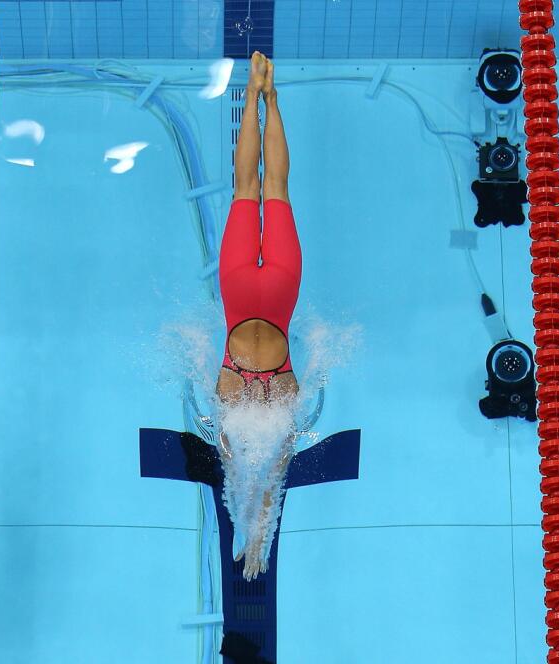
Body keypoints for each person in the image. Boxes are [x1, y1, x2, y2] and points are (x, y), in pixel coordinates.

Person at [215, 52, 299, 579]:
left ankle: (266, 96)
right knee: (254, 191)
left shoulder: (287, 400)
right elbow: (245, 479)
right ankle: (256, 92)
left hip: (278, 294)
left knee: (271, 191)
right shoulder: (226, 398)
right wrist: (254, 538)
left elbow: (271, 479)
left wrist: (258, 537)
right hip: (241, 293)